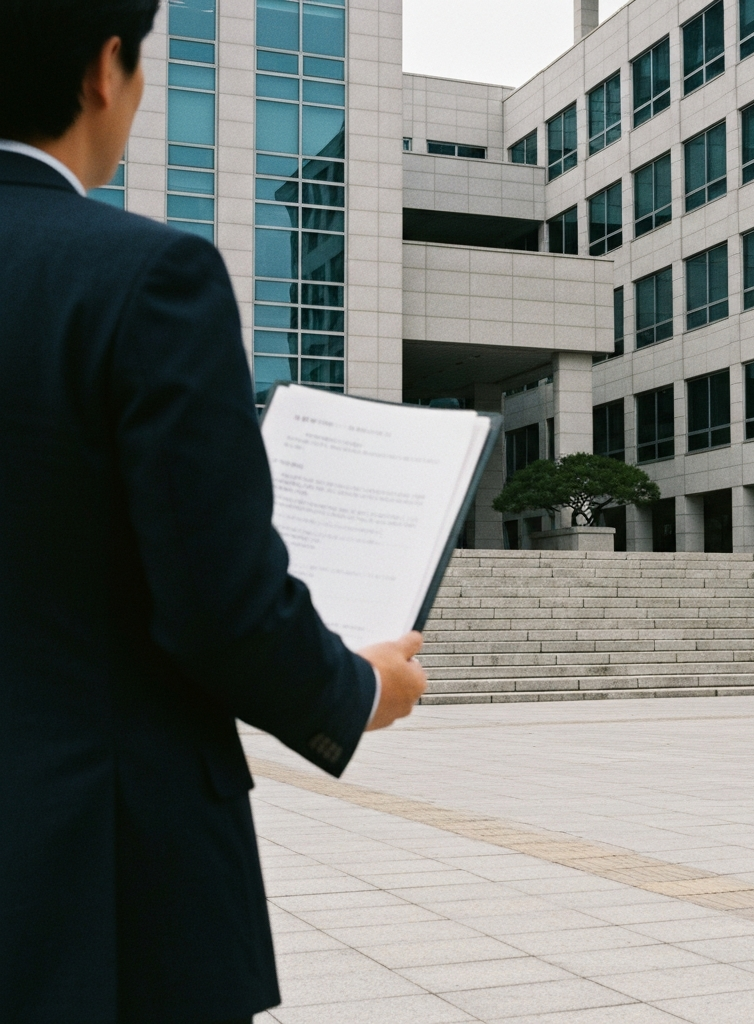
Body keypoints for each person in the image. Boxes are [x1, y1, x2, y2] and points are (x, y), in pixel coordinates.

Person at [0, 1, 428, 1021]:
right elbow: (217, 603)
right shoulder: (144, 279)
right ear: (107, 69)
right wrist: (356, 687)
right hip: (92, 876)